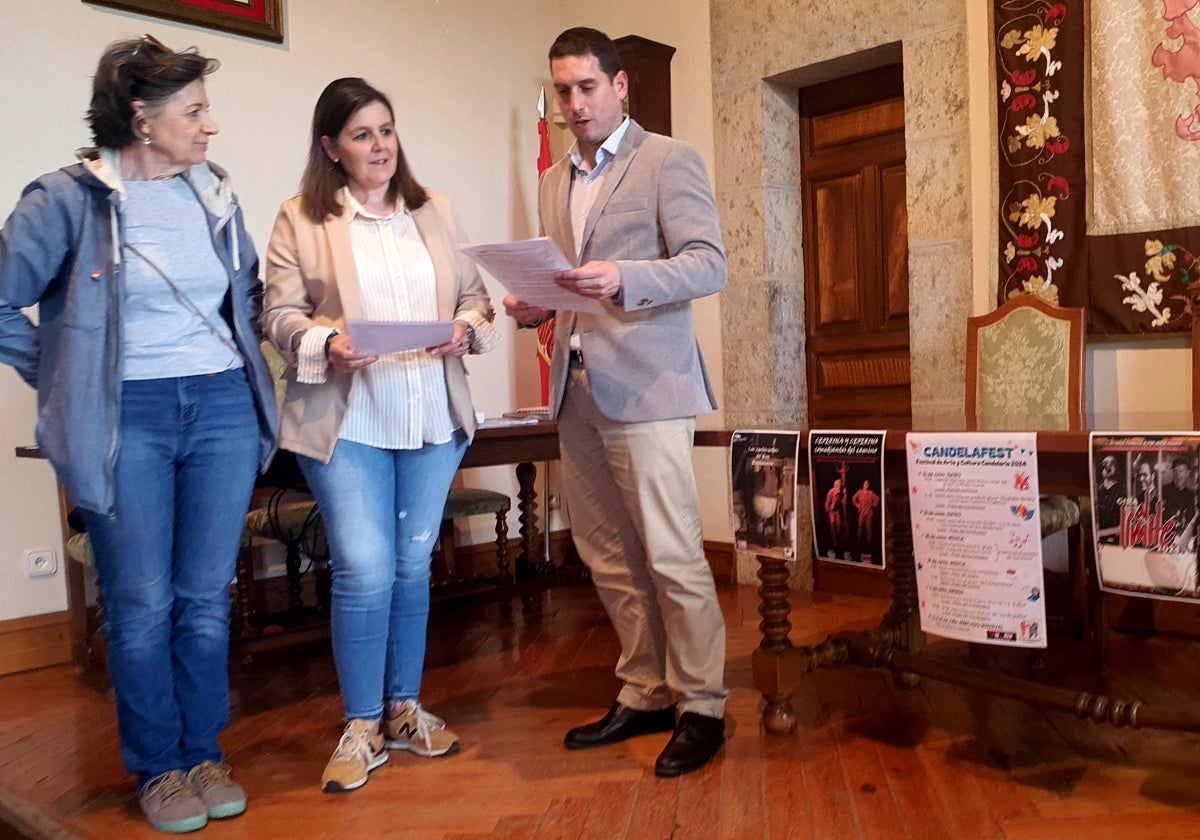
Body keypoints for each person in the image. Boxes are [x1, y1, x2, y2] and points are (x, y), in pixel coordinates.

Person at [0, 36, 278, 833]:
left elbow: (248, 294)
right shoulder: (64, 201)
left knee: (203, 599)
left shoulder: (213, 193)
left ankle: (204, 751)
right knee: (141, 603)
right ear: (140, 118)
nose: (210, 126)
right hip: (132, 418)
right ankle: (158, 767)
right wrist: (65, 378)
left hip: (221, 406)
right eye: (193, 111)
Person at [262, 77, 498, 794]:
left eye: (387, 130)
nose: (380, 146)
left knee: (410, 565)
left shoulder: (434, 211)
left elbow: (475, 299)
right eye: (362, 134)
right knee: (364, 569)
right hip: (349, 421)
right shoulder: (300, 218)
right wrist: (326, 342)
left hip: (430, 416)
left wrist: (465, 329)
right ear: (331, 146)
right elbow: (277, 316)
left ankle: (404, 709)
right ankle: (361, 724)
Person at [503, 27, 728, 778]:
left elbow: (707, 264)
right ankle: (645, 689)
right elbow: (568, 278)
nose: (573, 104)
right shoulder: (553, 180)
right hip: (578, 388)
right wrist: (539, 304)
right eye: (562, 90)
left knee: (670, 552)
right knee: (606, 555)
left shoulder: (667, 159)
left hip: (649, 385)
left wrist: (624, 278)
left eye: (586, 88)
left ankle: (703, 705)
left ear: (620, 85)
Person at [1161, 456, 1197, 547]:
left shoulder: (1192, 496)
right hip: (1164, 536)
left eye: (1181, 471)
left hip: (1184, 539)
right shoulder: (1163, 490)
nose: (1178, 475)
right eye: (1175, 471)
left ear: (1187, 473)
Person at [852, 479, 880, 545]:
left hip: (869, 512)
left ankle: (869, 542)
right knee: (860, 527)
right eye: (865, 484)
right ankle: (859, 541)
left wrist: (873, 505)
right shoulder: (860, 492)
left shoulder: (870, 493)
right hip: (861, 512)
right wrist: (857, 505)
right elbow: (853, 498)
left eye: (867, 484)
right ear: (863, 485)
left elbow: (877, 499)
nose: (866, 485)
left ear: (868, 485)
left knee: (868, 528)